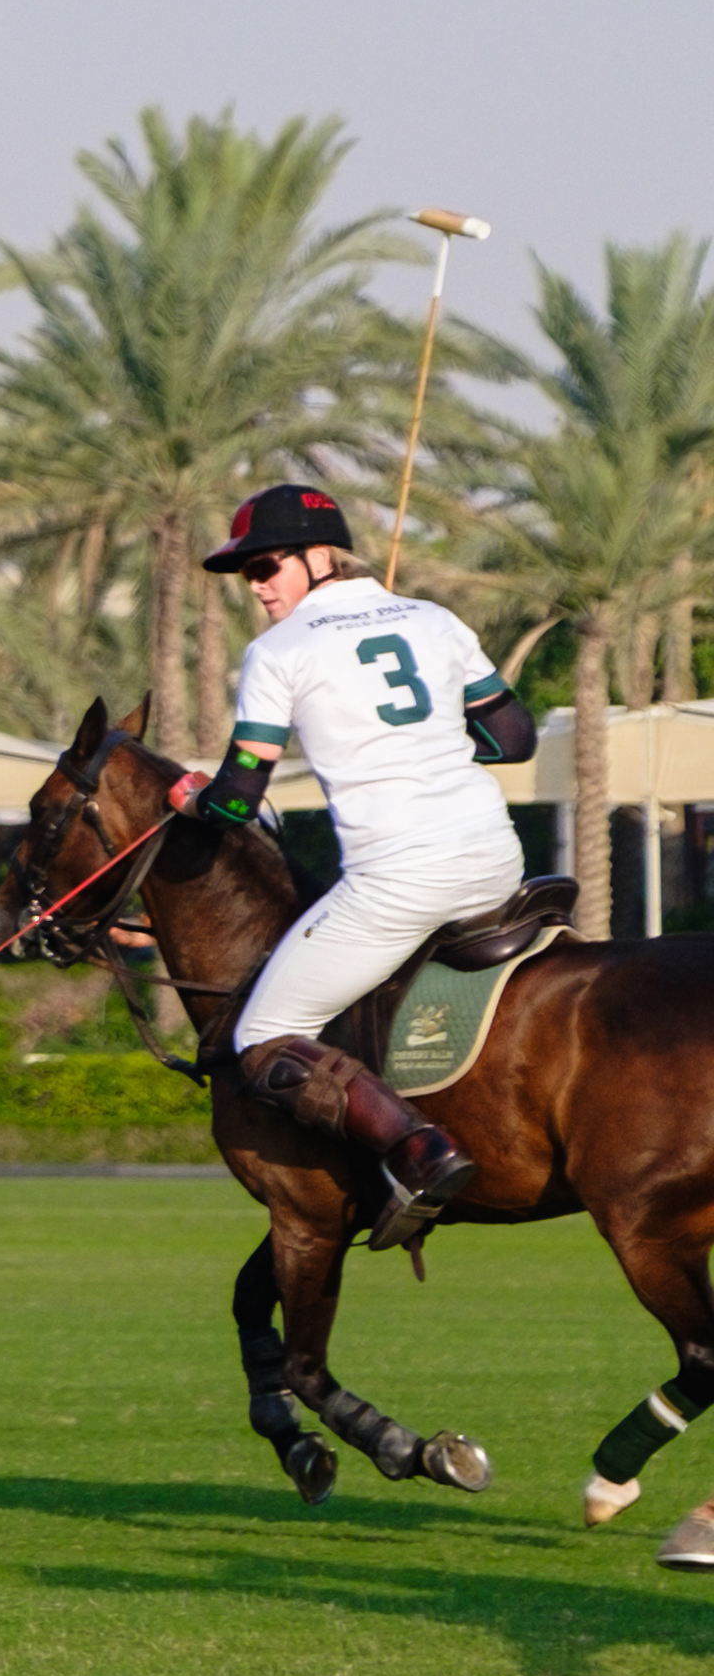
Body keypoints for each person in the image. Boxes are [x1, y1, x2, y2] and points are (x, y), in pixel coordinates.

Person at [174, 479, 539, 1249]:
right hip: (497, 861)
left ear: (317, 557)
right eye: (249, 575)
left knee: (264, 1030)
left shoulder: (279, 651)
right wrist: (429, 743)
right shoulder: (435, 619)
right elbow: (514, 737)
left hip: (403, 877)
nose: (258, 587)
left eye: (266, 567)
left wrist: (188, 798)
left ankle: (417, 1146)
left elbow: (240, 801)